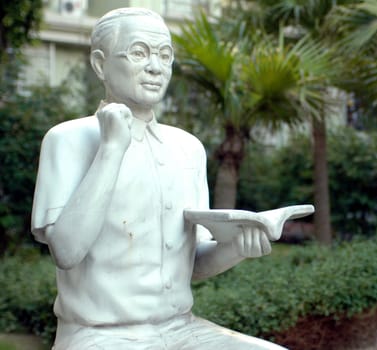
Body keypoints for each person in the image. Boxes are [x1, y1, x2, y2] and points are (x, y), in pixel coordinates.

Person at [31, 7, 286, 350]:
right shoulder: (67, 140)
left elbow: (191, 264)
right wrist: (111, 149)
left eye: (165, 55)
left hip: (181, 329)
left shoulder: (188, 148)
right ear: (99, 64)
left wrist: (238, 246)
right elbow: (66, 250)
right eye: (139, 52)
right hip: (99, 335)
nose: (155, 66)